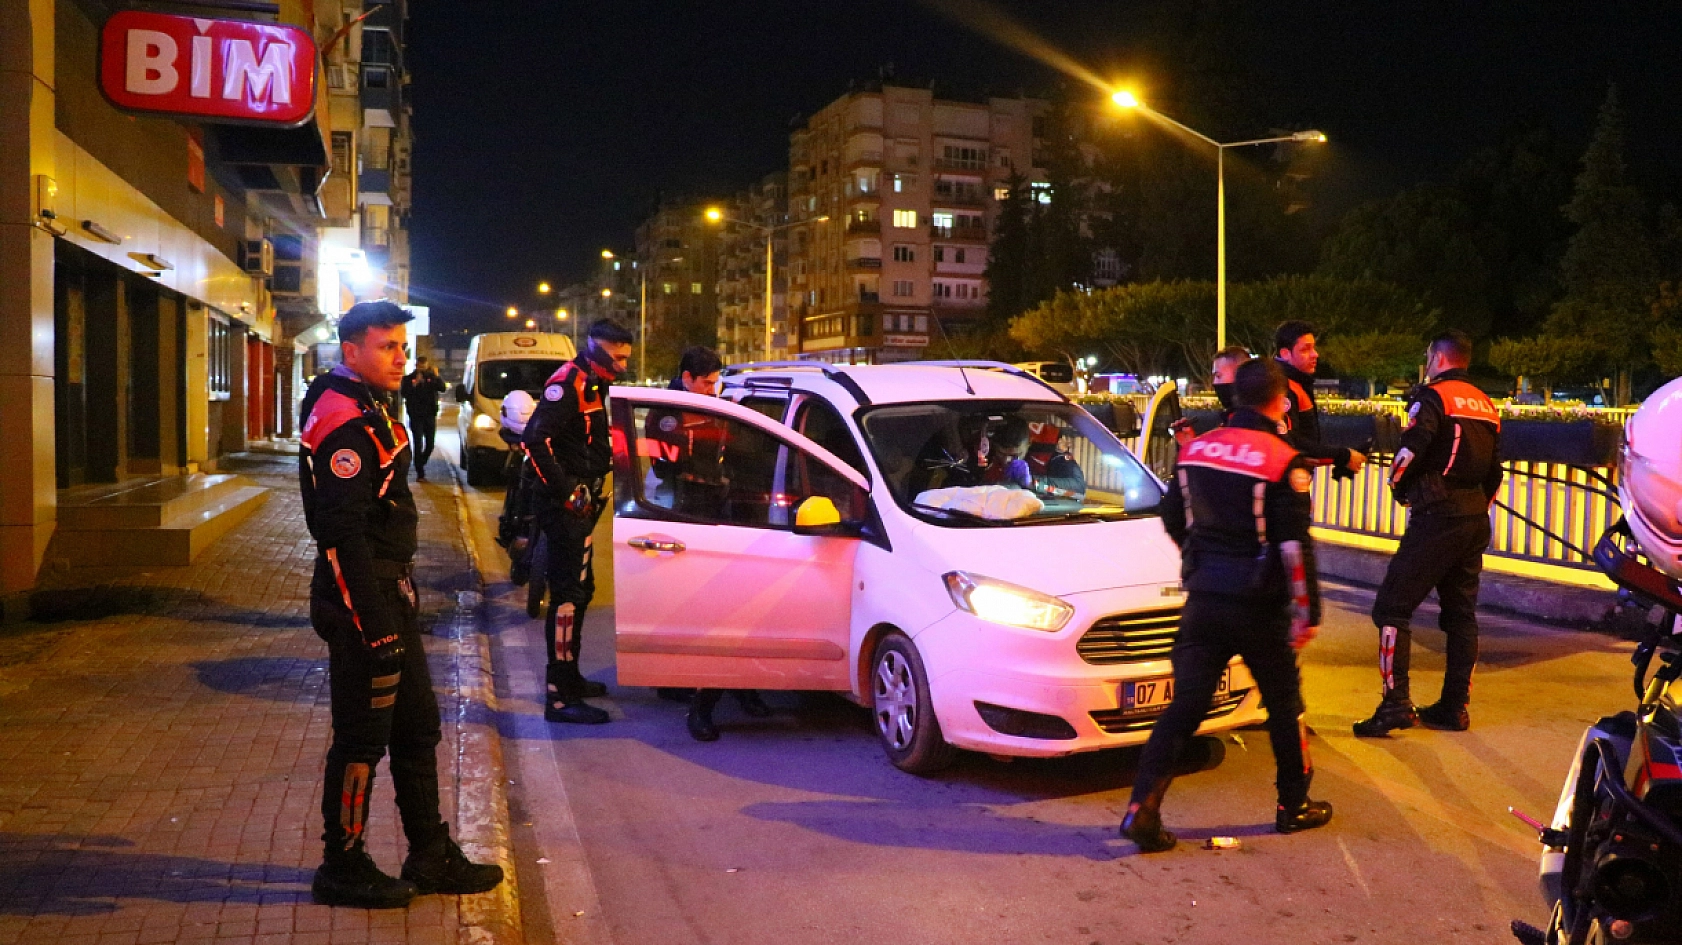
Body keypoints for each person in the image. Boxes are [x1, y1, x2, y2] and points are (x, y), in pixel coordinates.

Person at [299, 301, 502, 908]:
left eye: (402, 346)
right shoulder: (342, 418)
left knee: (418, 728)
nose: (400, 357)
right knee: (362, 738)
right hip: (363, 598)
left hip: (391, 592)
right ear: (352, 349)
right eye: (387, 346)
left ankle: (429, 853)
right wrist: (375, 624)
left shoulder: (367, 404)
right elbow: (340, 534)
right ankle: (343, 864)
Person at [1120, 358, 1332, 853]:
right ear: (1281, 402)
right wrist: (1309, 611)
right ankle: (1293, 805)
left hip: (1204, 600)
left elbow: (1173, 515)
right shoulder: (1283, 460)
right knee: (1284, 705)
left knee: (1185, 707)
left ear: (1234, 397)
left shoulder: (1196, 452)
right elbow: (1293, 547)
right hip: (1259, 606)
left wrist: (1200, 559)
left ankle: (1142, 808)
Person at [1354, 330, 1503, 736]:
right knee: (1460, 615)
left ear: (1437, 357)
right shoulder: (1487, 405)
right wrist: (1475, 507)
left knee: (1391, 608)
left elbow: (1410, 451)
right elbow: (1496, 473)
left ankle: (1395, 703)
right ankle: (1455, 708)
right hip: (1474, 519)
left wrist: (1398, 488)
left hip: (1438, 516)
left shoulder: (1434, 397)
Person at [523, 319, 633, 725]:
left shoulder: (595, 383)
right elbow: (535, 439)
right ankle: (559, 696)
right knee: (568, 595)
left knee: (583, 588)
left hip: (582, 502)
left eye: (625, 357)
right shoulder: (567, 383)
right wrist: (567, 490)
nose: (622, 365)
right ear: (596, 348)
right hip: (565, 505)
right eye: (616, 356)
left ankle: (572, 678)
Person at [1274, 321, 1365, 476]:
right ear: (1285, 353)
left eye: (1313, 347)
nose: (1315, 354)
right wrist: (1342, 455)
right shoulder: (1282, 385)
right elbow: (1290, 438)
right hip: (1285, 479)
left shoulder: (1296, 383)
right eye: (1305, 349)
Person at [1173, 345, 1251, 446]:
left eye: (1218, 376)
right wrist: (1189, 444)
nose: (1214, 383)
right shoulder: (1229, 420)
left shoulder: (1246, 423)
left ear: (1240, 376)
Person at [400, 357, 448, 482]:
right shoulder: (409, 378)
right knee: (418, 443)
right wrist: (414, 385)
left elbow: (442, 388)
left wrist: (436, 376)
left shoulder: (431, 377)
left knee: (430, 444)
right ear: (416, 365)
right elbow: (404, 393)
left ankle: (420, 461)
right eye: (419, 365)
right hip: (416, 416)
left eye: (424, 365)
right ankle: (420, 473)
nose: (421, 367)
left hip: (430, 415)